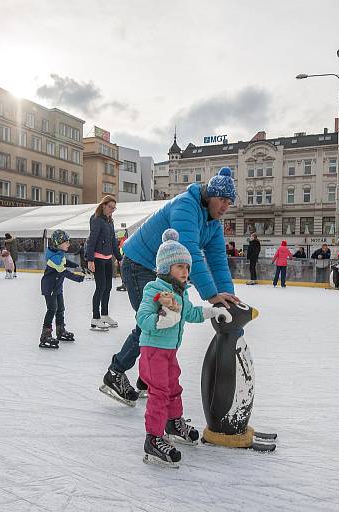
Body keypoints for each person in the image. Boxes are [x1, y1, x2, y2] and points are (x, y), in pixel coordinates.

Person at [102, 166, 239, 406]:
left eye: (230, 202)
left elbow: (217, 260)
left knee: (171, 317)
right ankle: (116, 372)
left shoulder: (213, 223)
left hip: (167, 272)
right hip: (140, 263)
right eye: (223, 200)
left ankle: (148, 379)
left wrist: (228, 299)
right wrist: (211, 295)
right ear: (210, 194)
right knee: (152, 323)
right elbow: (188, 254)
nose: (226, 206)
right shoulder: (186, 205)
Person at [136, 229, 231, 467]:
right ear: (166, 268)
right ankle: (154, 438)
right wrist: (160, 321)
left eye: (187, 268)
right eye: (180, 267)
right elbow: (142, 318)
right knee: (159, 392)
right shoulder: (153, 289)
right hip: (153, 351)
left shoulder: (181, 293)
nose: (186, 272)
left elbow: (191, 313)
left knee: (173, 387)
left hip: (169, 351)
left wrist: (213, 311)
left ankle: (173, 422)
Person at [39, 229, 85, 348]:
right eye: (66, 242)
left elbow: (66, 262)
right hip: (49, 288)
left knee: (60, 308)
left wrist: (77, 266)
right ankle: (45, 335)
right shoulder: (53, 258)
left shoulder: (59, 254)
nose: (68, 244)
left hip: (57, 287)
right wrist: (79, 278)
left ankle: (60, 330)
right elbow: (64, 272)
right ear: (58, 243)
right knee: (52, 309)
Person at [85, 195, 122, 330]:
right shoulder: (96, 220)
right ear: (103, 205)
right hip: (98, 259)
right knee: (100, 288)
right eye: (110, 207)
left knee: (108, 287)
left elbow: (113, 241)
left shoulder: (110, 221)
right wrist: (90, 260)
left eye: (114, 208)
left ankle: (104, 314)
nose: (112, 210)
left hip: (108, 259)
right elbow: (92, 240)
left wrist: (119, 258)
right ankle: (95, 318)